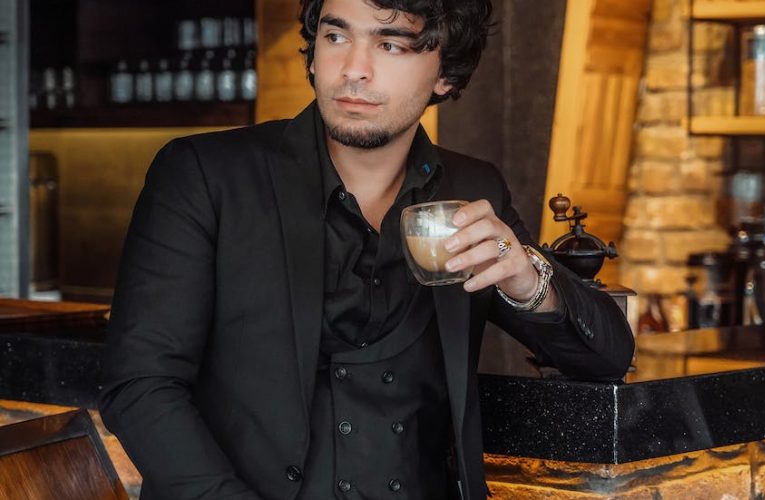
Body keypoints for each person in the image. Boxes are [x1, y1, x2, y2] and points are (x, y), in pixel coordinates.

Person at [99, 0, 634, 498]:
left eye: (391, 44)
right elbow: (140, 385)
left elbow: (608, 356)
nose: (353, 68)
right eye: (336, 36)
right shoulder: (204, 175)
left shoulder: (473, 190)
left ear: (446, 73)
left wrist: (527, 280)